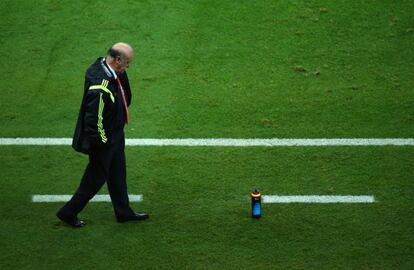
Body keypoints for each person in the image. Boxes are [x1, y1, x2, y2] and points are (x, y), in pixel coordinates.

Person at [56, 42, 149, 227]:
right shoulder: (100, 86)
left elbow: (125, 96)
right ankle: (68, 212)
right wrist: (105, 143)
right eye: (127, 62)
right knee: (94, 180)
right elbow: (93, 121)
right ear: (117, 60)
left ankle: (123, 211)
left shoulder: (110, 70)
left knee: (118, 174)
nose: (128, 66)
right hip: (105, 140)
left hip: (115, 133)